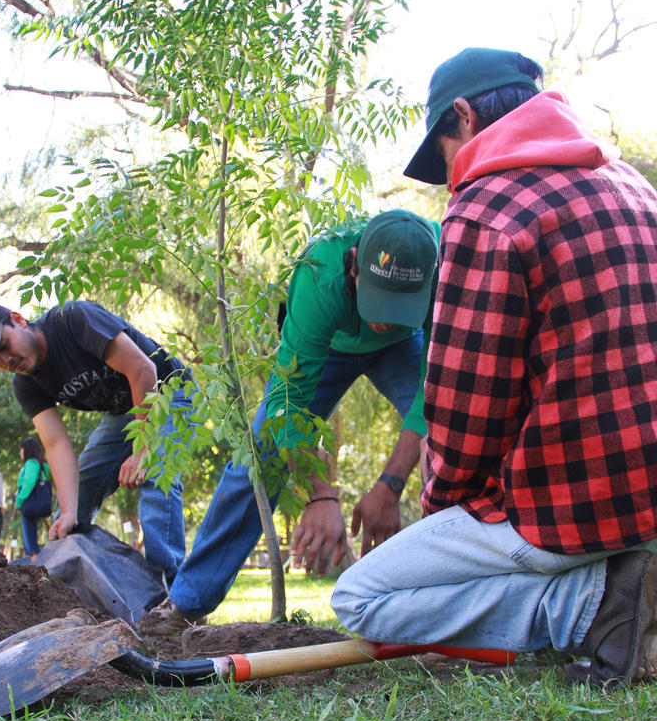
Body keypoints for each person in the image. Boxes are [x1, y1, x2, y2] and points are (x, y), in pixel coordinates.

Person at [332, 46, 657, 688]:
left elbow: (466, 409)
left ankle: (599, 606)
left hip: (583, 503)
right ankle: (631, 568)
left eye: (444, 153)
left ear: (463, 115)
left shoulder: (488, 208)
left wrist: (444, 508)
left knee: (359, 600)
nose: (452, 174)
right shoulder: (636, 188)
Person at [141, 209, 440, 635]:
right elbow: (287, 404)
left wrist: (389, 487)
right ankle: (188, 602)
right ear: (353, 263)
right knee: (262, 451)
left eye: (398, 306)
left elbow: (439, 393)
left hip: (407, 347)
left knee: (456, 433)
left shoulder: (449, 262)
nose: (384, 320)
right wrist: (319, 495)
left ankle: (456, 595)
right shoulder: (320, 274)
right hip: (331, 344)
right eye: (378, 301)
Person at [0, 299, 194, 585]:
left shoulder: (72, 319)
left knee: (156, 473)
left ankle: (172, 597)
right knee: (69, 511)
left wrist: (142, 449)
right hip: (124, 413)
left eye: (4, 345)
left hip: (169, 392)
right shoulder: (26, 384)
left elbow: (142, 370)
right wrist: (70, 509)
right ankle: (72, 594)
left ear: (18, 320)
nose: (6, 360)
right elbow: (56, 443)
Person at [15, 436, 52, 561]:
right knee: (31, 537)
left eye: (21, 449)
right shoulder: (43, 465)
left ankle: (35, 567)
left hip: (29, 504)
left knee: (30, 543)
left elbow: (29, 483)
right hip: (39, 504)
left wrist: (19, 501)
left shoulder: (31, 463)